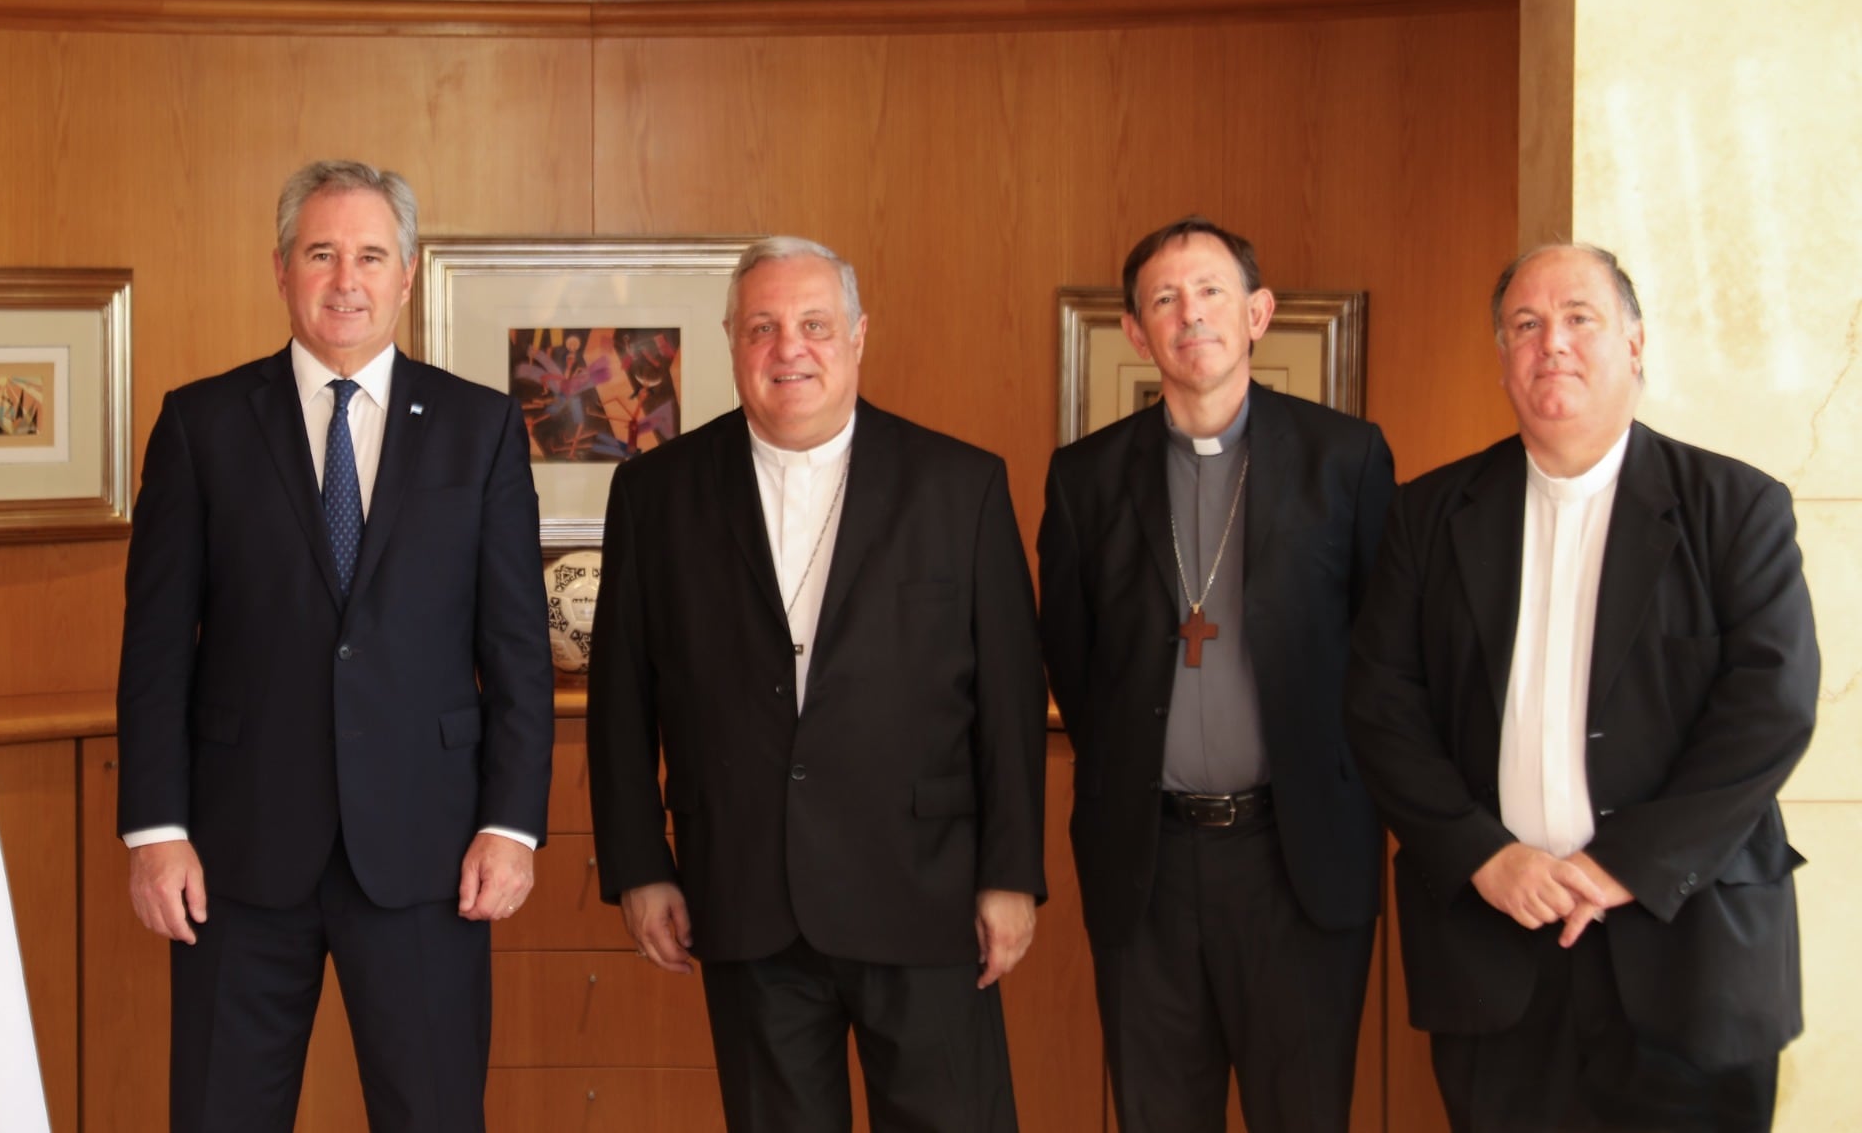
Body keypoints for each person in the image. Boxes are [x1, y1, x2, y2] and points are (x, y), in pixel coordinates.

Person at [117, 159, 554, 1133]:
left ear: (405, 274)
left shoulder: (478, 429)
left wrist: (512, 825)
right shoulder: (201, 424)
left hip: (430, 855)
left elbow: (518, 651)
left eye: (369, 256)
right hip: (234, 853)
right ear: (281, 269)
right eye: (321, 254)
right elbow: (154, 648)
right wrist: (154, 831)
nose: (345, 280)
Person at [1345, 244, 1817, 1132]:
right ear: (1502, 359)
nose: (1550, 342)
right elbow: (1382, 709)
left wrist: (1621, 865)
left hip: (1691, 957)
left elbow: (1772, 706)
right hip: (1498, 951)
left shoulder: (1736, 507)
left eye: (1578, 319)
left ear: (1636, 346)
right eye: (1526, 325)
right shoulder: (1430, 516)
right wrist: (1482, 853)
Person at [587, 235, 1048, 1133]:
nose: (787, 348)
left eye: (812, 324)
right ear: (731, 341)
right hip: (745, 891)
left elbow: (1010, 702)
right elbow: (622, 701)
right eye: (762, 327)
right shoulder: (655, 493)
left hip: (927, 894)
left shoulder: (963, 485)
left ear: (858, 336)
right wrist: (640, 866)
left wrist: (1011, 875)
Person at [1037, 216, 1395, 1132]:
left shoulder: (1345, 459)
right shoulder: (1085, 479)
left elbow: (1384, 652)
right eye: (1164, 299)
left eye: (1210, 293)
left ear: (1258, 313)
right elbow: (1074, 664)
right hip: (1147, 861)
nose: (1189, 314)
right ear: (1136, 330)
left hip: (1298, 856)